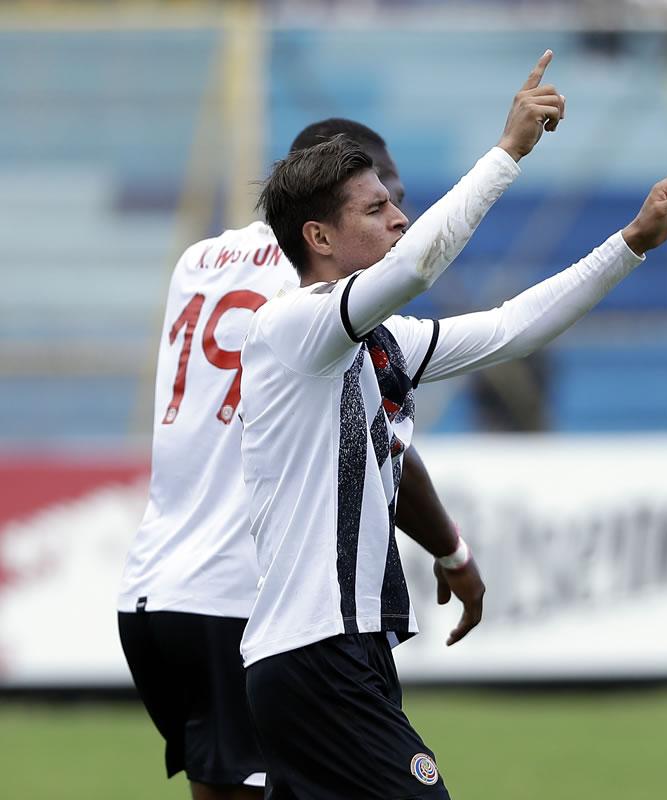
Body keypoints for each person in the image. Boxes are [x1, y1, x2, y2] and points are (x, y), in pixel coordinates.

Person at [239, 49, 667, 798]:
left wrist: (632, 244)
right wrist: (510, 151)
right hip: (315, 651)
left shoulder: (378, 343)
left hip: (336, 651)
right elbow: (419, 268)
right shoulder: (293, 329)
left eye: (396, 203)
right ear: (318, 239)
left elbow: (511, 330)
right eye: (375, 209)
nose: (400, 216)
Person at [116, 117, 466, 799]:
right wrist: (454, 551)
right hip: (249, 596)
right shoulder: (325, 294)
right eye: (378, 198)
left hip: (152, 591)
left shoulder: (200, 260)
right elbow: (383, 447)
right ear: (320, 213)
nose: (396, 217)